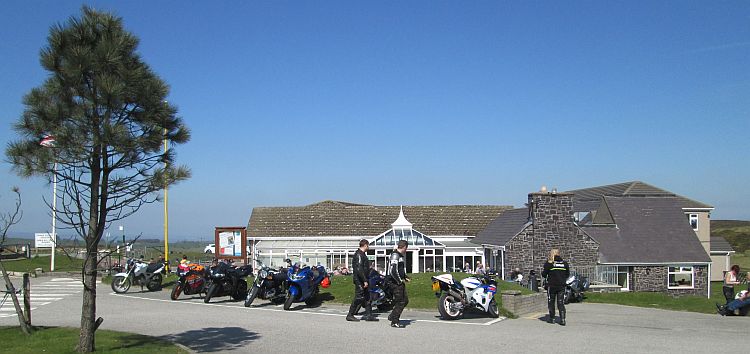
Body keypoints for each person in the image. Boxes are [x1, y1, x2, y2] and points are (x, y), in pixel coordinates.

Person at [347, 239, 377, 322]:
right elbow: (359, 269)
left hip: (363, 278)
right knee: (359, 297)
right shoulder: (359, 255)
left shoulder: (362, 254)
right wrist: (364, 280)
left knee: (367, 297)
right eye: (368, 245)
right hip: (359, 280)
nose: (368, 247)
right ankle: (350, 314)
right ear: (365, 245)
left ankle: (369, 315)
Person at [542, 249, 570, 325]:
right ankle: (563, 319)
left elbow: (544, 274)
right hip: (562, 285)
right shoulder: (564, 263)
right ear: (559, 254)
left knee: (551, 301)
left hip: (552, 285)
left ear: (551, 254)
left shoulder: (549, 263)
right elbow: (567, 274)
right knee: (560, 302)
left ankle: (552, 318)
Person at [387, 240, 410, 328]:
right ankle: (394, 321)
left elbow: (399, 270)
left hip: (398, 281)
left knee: (405, 300)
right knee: (401, 301)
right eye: (406, 248)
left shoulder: (399, 256)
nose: (406, 250)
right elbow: (393, 271)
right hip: (394, 282)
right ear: (404, 247)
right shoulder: (395, 255)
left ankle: (392, 315)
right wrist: (399, 281)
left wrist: (405, 276)